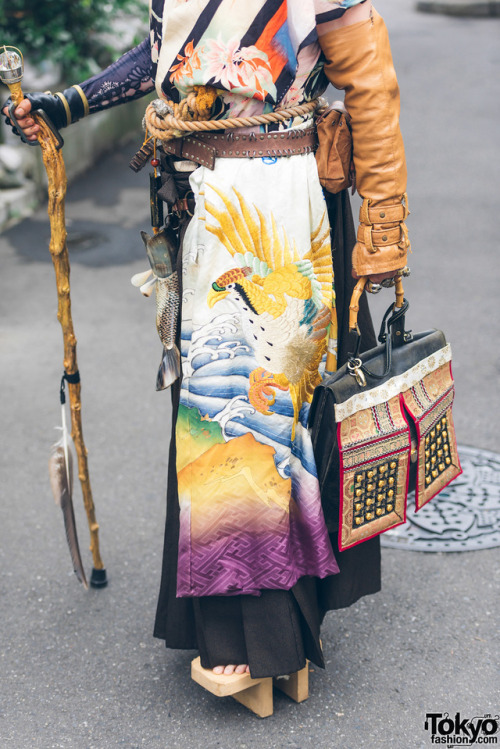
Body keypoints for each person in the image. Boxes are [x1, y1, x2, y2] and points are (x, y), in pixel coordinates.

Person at [3, 0, 409, 680]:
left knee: (259, 419)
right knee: (216, 413)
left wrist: (384, 232)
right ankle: (261, 636)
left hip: (278, 206)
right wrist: (66, 104)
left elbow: (370, 85)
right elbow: (164, 56)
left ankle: (260, 643)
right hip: (199, 204)